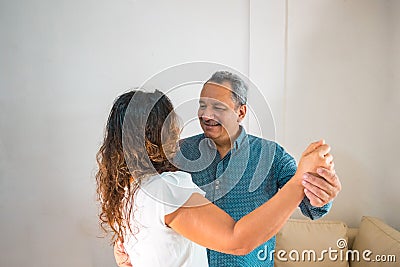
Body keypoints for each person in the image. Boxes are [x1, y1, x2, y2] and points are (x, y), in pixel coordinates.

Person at [96, 88, 337, 267]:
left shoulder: (128, 187)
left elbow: (312, 206)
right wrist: (299, 181)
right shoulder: (172, 170)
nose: (207, 114)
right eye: (203, 106)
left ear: (240, 112)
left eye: (218, 107)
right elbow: (237, 240)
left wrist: (320, 186)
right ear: (158, 133)